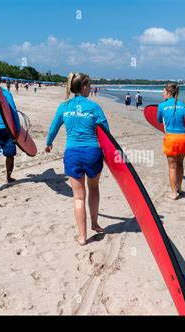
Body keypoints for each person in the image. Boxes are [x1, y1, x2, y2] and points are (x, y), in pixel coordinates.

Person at [45, 72, 108, 246]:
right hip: (93, 153)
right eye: (90, 86)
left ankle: (82, 237)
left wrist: (48, 143)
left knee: (78, 197)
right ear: (85, 87)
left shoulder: (64, 106)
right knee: (93, 188)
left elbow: (54, 127)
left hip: (72, 154)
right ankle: (95, 224)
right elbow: (106, 133)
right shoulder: (94, 107)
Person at [157, 83, 185, 200]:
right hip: (184, 138)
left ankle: (174, 193)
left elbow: (159, 120)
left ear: (169, 93)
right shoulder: (183, 105)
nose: (162, 93)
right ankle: (179, 188)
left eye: (163, 91)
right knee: (180, 164)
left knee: (172, 167)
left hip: (171, 138)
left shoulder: (162, 106)